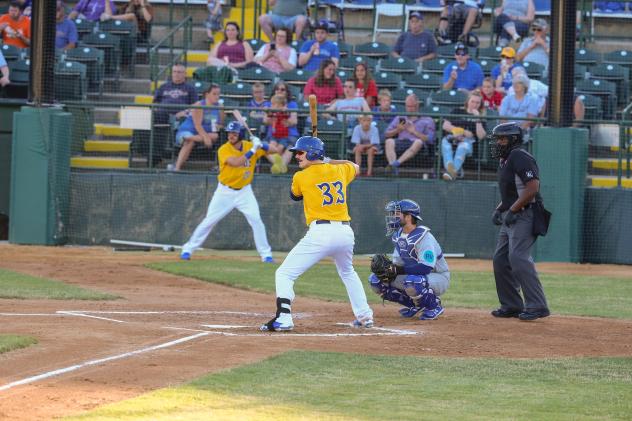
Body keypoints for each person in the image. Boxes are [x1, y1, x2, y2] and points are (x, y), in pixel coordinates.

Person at [260, 136, 374, 331]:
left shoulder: (300, 176)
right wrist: (328, 161)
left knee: (285, 273)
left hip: (322, 232)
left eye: (300, 152)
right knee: (348, 272)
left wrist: (321, 163)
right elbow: (355, 166)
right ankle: (365, 316)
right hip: (345, 232)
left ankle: (284, 318)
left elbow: (295, 196)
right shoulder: (339, 169)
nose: (297, 156)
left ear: (313, 153)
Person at [180, 122, 279, 263]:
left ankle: (266, 255)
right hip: (225, 192)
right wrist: (253, 150)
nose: (231, 136)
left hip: (245, 192)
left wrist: (261, 144)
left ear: (241, 135)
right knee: (209, 221)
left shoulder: (250, 145)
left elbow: (275, 150)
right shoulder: (224, 149)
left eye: (234, 133)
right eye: (229, 133)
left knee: (256, 221)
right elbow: (236, 162)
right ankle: (188, 249)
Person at [489, 122, 549, 321]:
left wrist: (513, 210)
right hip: (512, 214)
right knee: (501, 259)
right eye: (497, 138)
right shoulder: (505, 160)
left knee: (518, 257)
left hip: (526, 213)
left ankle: (538, 305)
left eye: (502, 138)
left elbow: (533, 187)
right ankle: (512, 305)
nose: (498, 142)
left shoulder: (519, 156)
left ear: (514, 139)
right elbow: (513, 192)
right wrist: (500, 209)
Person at [368, 199, 450, 320]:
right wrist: (390, 269)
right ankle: (416, 305)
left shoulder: (424, 236)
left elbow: (426, 267)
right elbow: (398, 264)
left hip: (438, 277)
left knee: (414, 281)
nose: (393, 216)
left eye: (397, 213)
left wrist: (398, 270)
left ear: (408, 216)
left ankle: (434, 306)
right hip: (415, 276)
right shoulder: (399, 236)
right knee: (376, 280)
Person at [173, 84, 225, 171]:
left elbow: (221, 124)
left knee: (215, 136)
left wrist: (218, 126)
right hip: (189, 130)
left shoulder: (220, 107)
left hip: (204, 134)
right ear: (207, 94)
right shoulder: (199, 105)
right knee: (189, 142)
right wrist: (206, 138)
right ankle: (177, 168)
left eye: (218, 94)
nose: (217, 97)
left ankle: (189, 138)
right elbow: (198, 125)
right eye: (214, 94)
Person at [440, 90, 487, 181]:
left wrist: (477, 118)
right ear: (468, 101)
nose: (474, 104)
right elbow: (445, 126)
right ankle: (452, 171)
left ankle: (450, 172)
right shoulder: (457, 111)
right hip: (452, 138)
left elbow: (481, 136)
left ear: (480, 105)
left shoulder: (481, 117)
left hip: (468, 143)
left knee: (463, 146)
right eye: (472, 101)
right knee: (445, 142)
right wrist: (462, 132)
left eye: (477, 102)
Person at [384, 94, 436, 175]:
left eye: (412, 106)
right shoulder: (400, 118)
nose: (410, 109)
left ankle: (396, 164)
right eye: (408, 106)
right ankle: (392, 165)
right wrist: (397, 130)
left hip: (417, 145)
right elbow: (386, 134)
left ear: (417, 105)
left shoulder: (427, 119)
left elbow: (430, 139)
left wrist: (414, 132)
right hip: (401, 142)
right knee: (389, 141)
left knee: (418, 142)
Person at [263, 81, 300, 174]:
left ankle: (278, 166)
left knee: (289, 147)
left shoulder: (292, 104)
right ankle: (281, 166)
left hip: (289, 134)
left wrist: (283, 115)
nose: (279, 91)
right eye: (277, 89)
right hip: (272, 134)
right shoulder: (269, 104)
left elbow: (294, 121)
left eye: (282, 89)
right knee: (264, 147)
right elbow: (265, 120)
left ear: (287, 92)